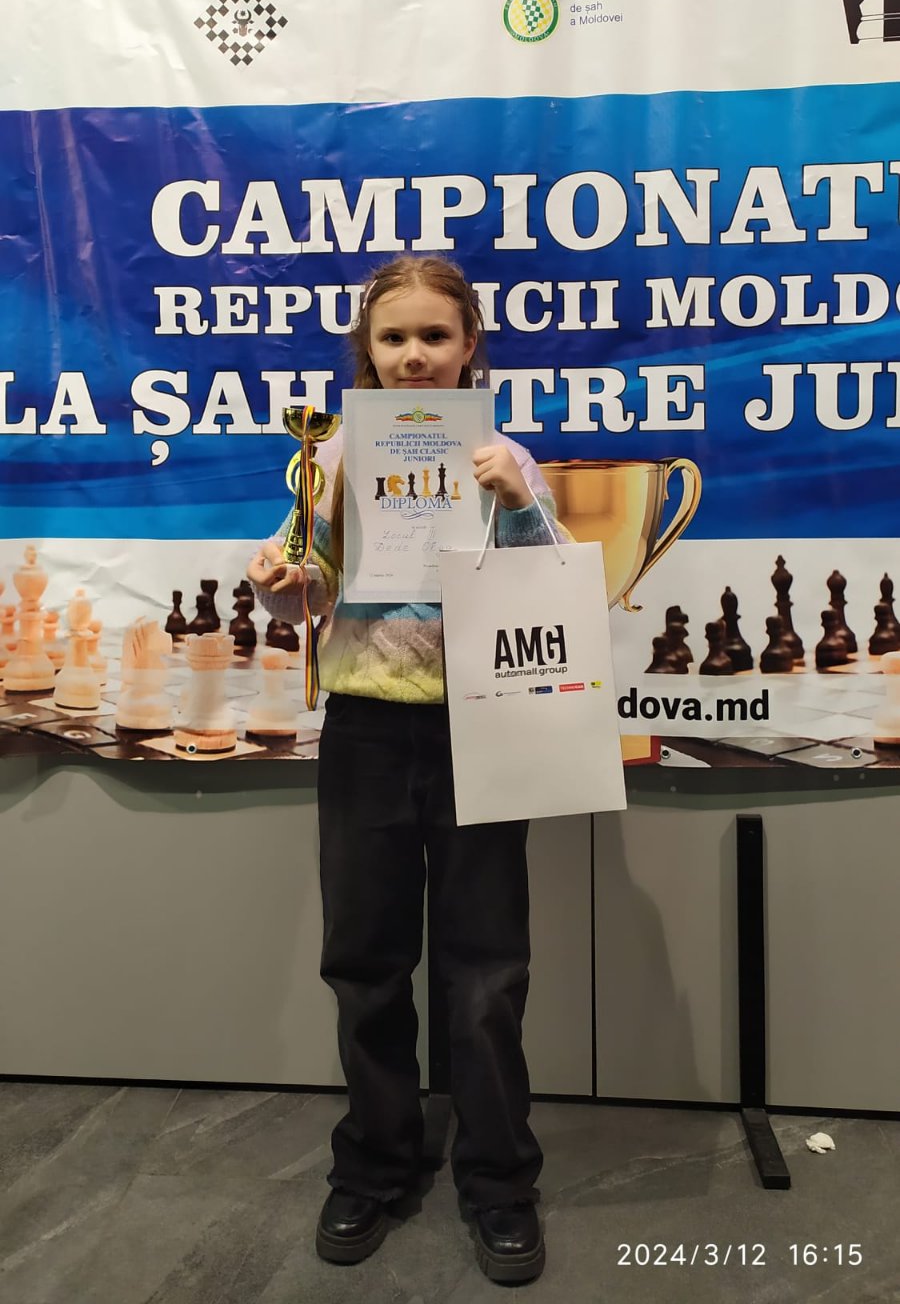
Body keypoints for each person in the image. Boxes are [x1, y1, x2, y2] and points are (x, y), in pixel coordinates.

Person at [247, 255, 564, 1285]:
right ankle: (375, 1162)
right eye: (394, 338)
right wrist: (277, 580)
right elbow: (303, 594)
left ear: (470, 345)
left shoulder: (509, 458)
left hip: (485, 728)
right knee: (365, 961)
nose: (415, 354)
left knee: (486, 972)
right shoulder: (332, 456)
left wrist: (518, 504)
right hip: (368, 733)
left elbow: (556, 597)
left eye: (435, 335)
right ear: (368, 353)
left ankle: (499, 1178)